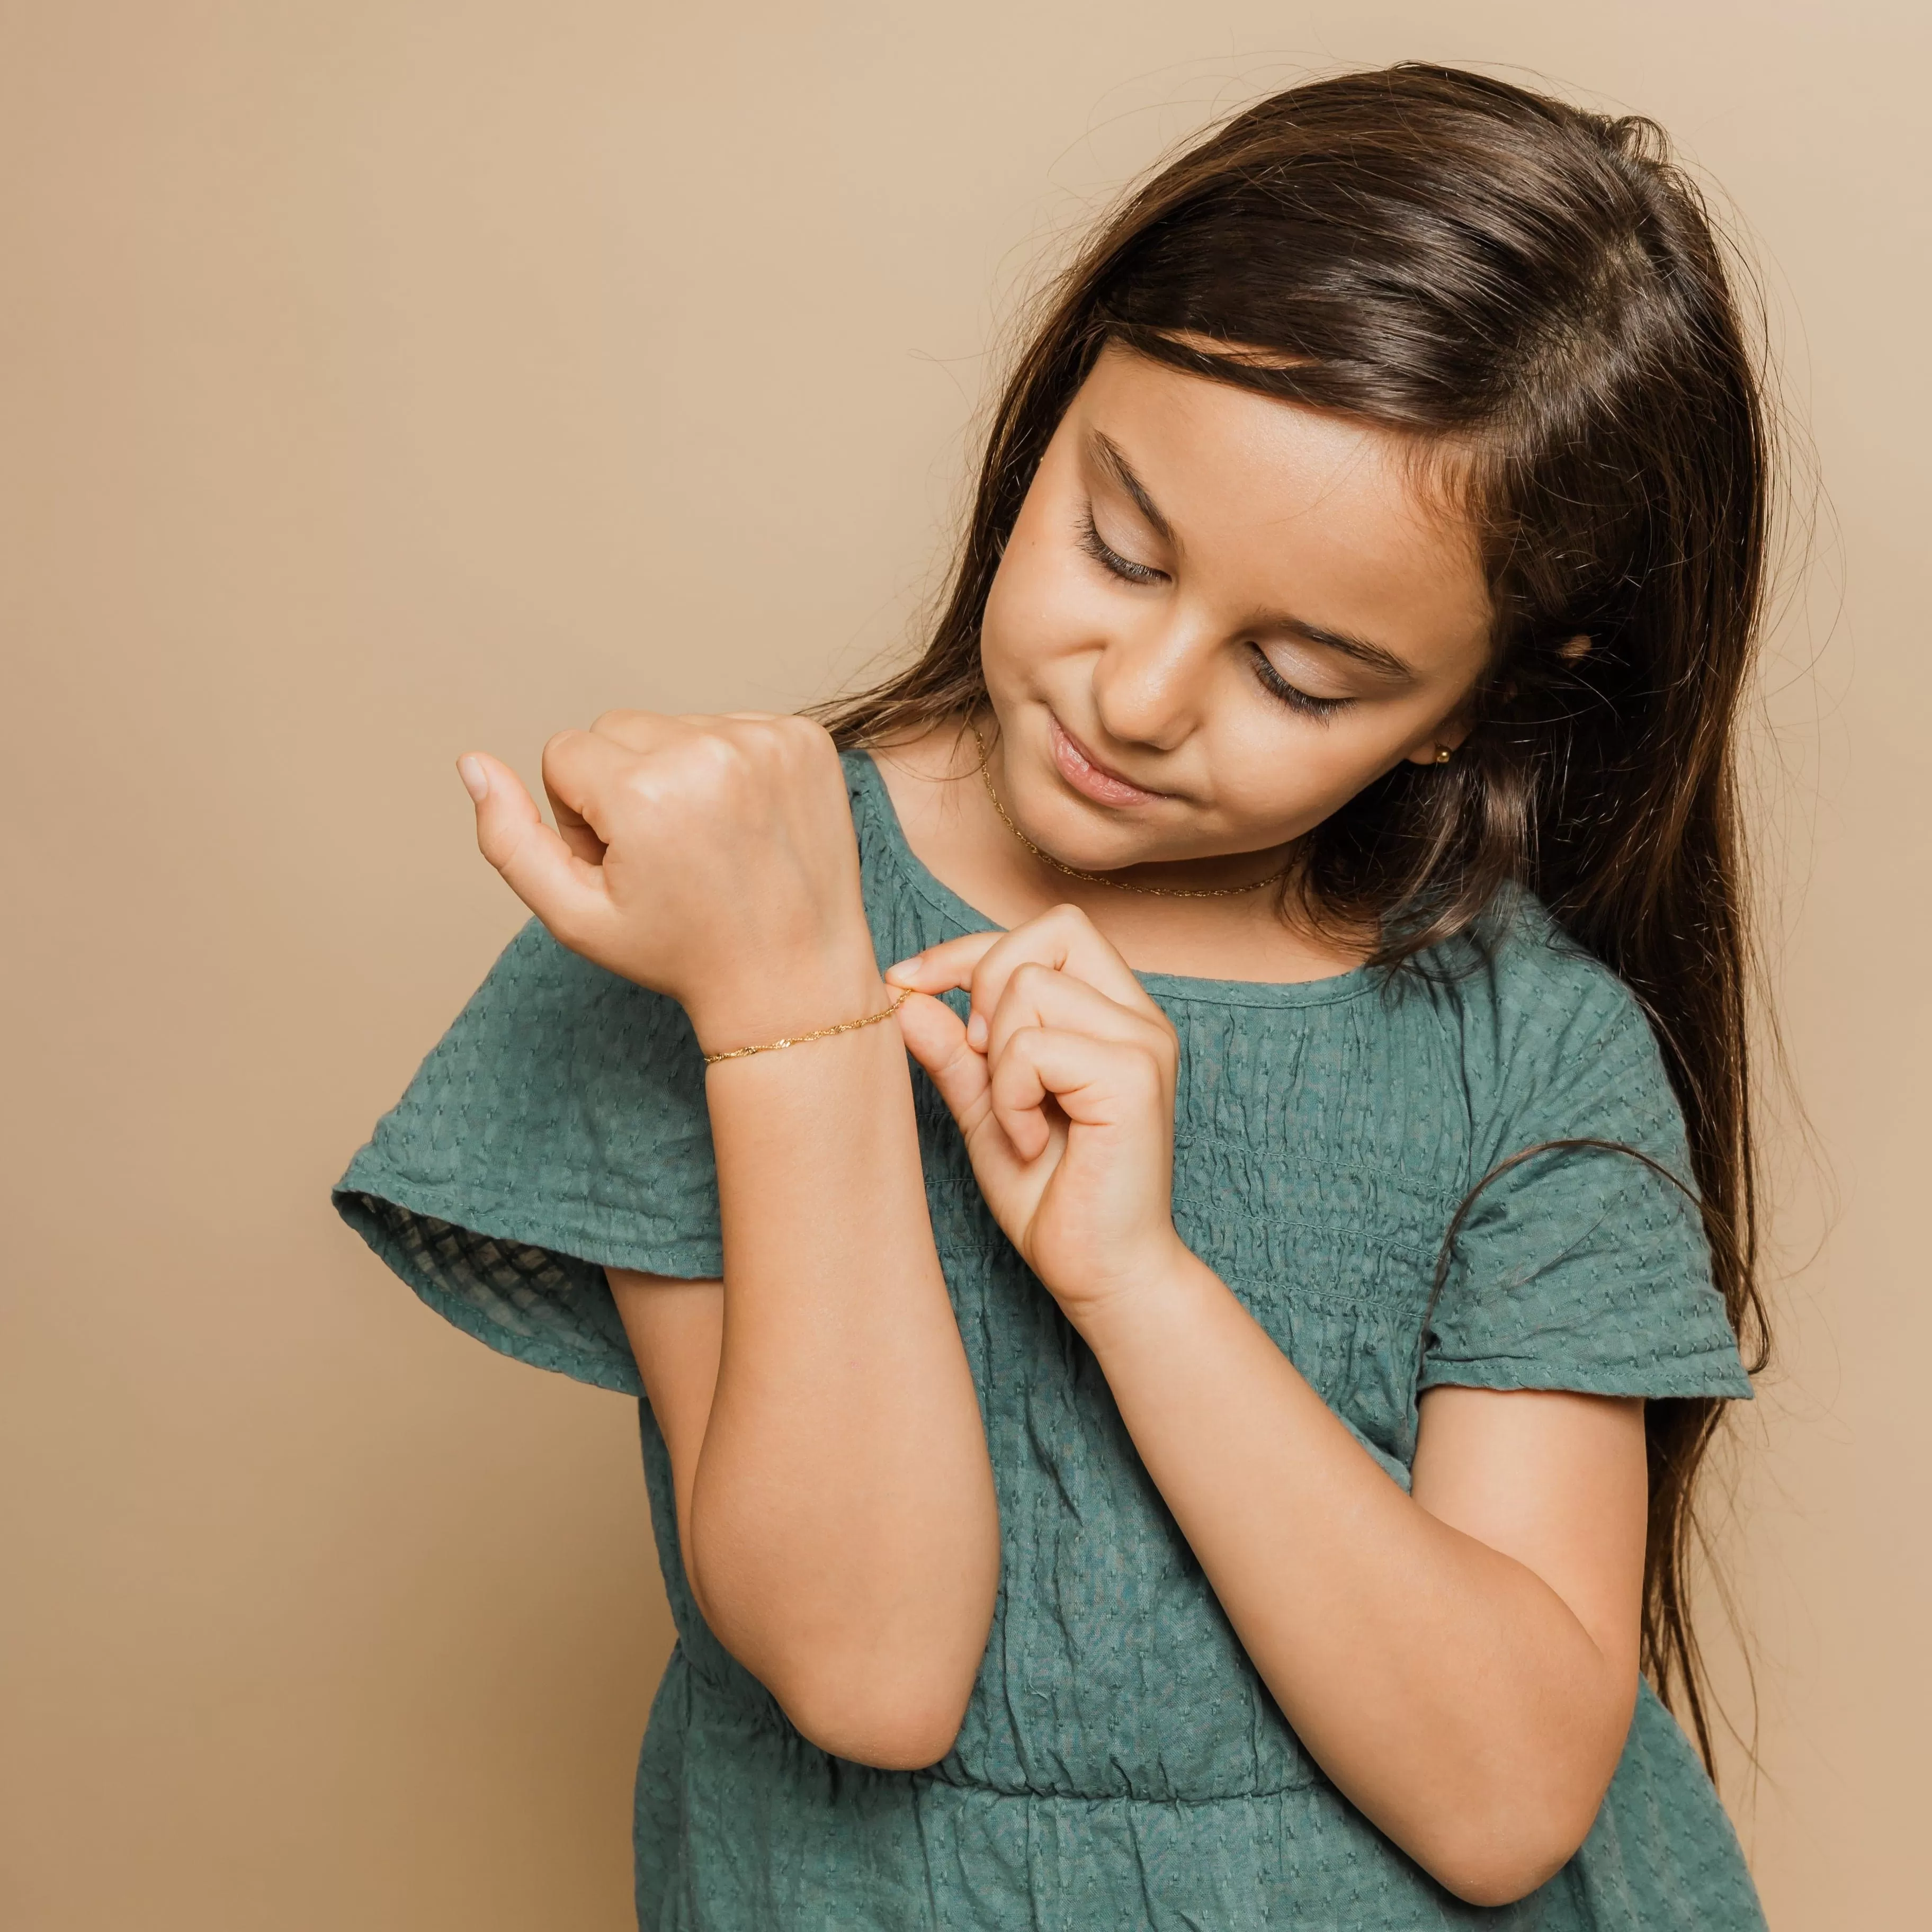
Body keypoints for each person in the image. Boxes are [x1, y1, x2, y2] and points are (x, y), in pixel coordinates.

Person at [335, 64, 1774, 1929]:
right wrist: (793, 1013)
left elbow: (1505, 1798)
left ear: (1497, 700)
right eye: (1119, 546)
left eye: (1308, 676)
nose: (1141, 694)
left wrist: (1140, 1282)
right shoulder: (731, 906)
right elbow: (872, 1670)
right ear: (1059, 401)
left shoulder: (1528, 1046)